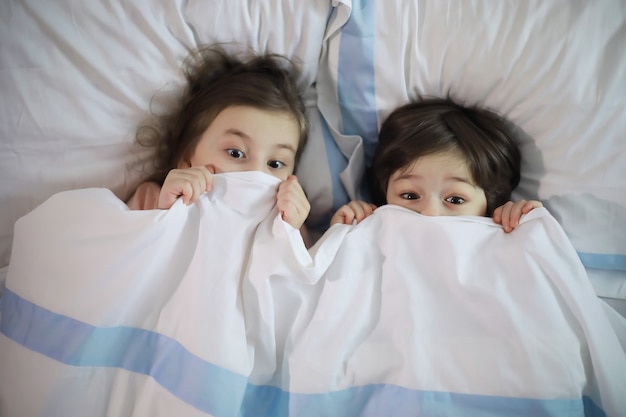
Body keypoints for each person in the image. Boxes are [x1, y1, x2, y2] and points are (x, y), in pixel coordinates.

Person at [126, 44, 311, 236]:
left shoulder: (288, 222)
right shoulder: (155, 197)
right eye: (235, 153)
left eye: (275, 163)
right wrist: (164, 214)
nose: (256, 173)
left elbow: (305, 266)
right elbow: (118, 257)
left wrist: (292, 233)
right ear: (187, 158)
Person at [330, 97, 542, 232]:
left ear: (490, 205)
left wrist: (527, 229)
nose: (430, 214)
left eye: (455, 199)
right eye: (410, 196)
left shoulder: (503, 236)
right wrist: (342, 237)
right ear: (384, 194)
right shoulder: (372, 233)